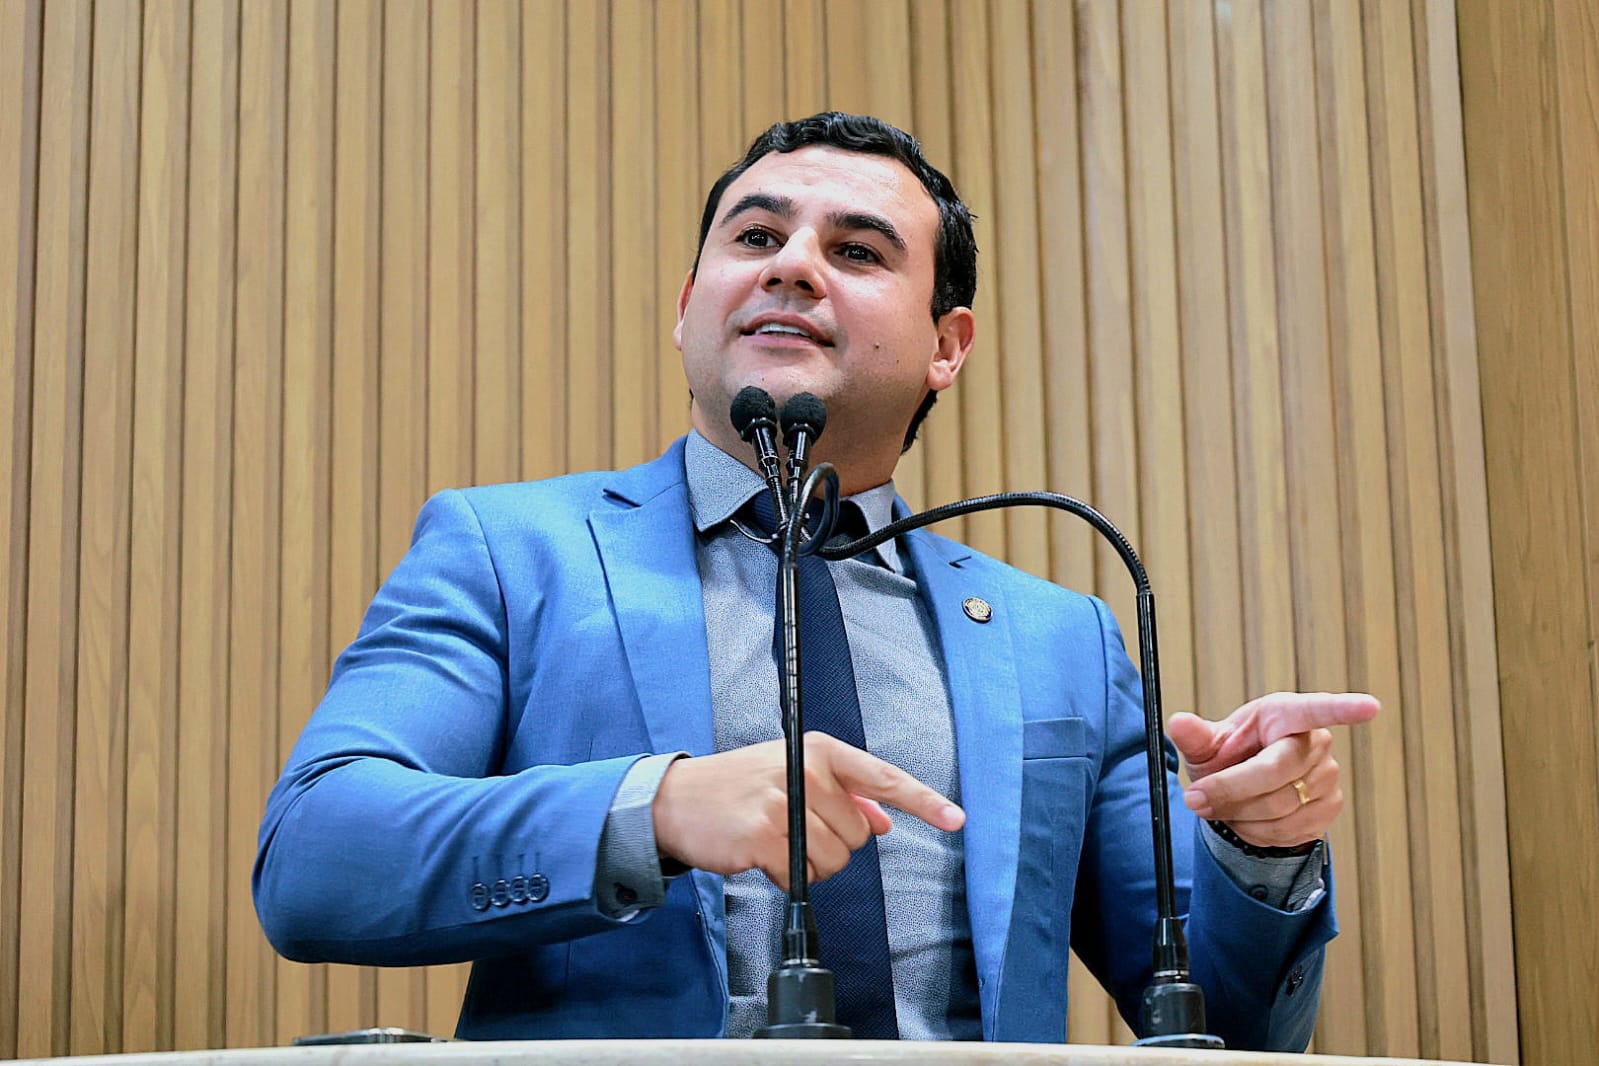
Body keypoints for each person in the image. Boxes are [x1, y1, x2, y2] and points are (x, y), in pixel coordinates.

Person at [254, 112, 1376, 1048]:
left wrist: (1260, 847)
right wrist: (654, 807)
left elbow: (1224, 1023)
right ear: (689, 305)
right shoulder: (510, 552)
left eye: (858, 251)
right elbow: (316, 858)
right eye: (756, 235)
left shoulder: (1059, 638)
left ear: (947, 345)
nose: (790, 263)